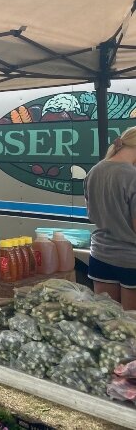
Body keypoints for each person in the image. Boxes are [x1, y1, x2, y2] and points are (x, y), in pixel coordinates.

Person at [84, 126, 136, 310]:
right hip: (131, 260)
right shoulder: (132, 176)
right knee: (130, 330)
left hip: (100, 256)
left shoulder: (94, 171)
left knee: (107, 324)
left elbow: (92, 215)